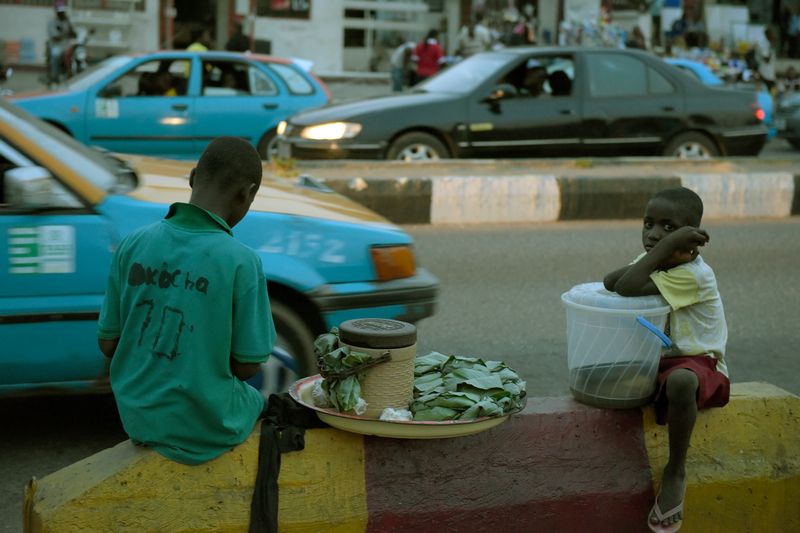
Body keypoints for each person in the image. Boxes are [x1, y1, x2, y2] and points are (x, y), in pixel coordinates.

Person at [97, 136, 276, 466]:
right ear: (247, 193)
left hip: (138, 417)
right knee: (262, 402)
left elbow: (108, 344)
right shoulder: (241, 261)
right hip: (209, 427)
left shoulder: (133, 244)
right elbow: (247, 365)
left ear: (193, 177)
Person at [603, 187, 729, 532]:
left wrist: (657, 253)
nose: (653, 234)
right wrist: (661, 251)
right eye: (648, 224)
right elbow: (611, 281)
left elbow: (627, 285)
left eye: (668, 228)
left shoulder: (695, 275)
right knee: (602, 375)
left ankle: (676, 470)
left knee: (682, 380)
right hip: (659, 361)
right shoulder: (661, 262)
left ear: (692, 241)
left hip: (698, 365)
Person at [46, 0, 76, 86]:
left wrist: (70, 27)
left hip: (67, 47)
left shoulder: (67, 22)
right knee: (55, 57)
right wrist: (66, 33)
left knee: (76, 56)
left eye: (63, 12)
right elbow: (55, 38)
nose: (62, 14)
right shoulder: (52, 23)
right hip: (56, 46)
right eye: (60, 12)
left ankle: (72, 75)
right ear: (56, 12)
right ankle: (54, 77)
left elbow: (74, 35)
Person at [756, 27, 778, 95]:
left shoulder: (768, 44)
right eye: (772, 33)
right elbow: (766, 60)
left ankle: (770, 102)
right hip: (764, 72)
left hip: (769, 72)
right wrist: (772, 47)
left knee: (772, 90)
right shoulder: (764, 44)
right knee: (768, 90)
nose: (774, 35)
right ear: (767, 34)